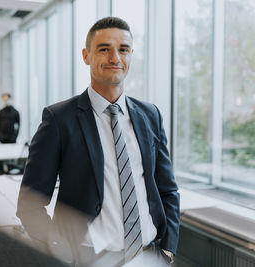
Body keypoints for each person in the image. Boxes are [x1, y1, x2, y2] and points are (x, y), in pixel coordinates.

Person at [16, 17, 179, 266]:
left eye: (123, 49)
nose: (115, 58)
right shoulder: (59, 119)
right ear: (86, 55)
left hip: (149, 256)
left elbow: (167, 189)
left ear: (131, 55)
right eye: (104, 49)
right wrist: (61, 253)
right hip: (90, 258)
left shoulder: (150, 115)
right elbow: (30, 205)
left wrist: (167, 250)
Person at [0, 93, 20, 175]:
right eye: (3, 99)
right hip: (2, 138)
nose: (5, 101)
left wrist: (15, 137)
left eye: (6, 99)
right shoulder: (1, 112)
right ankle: (0, 171)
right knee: (0, 155)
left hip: (11, 138)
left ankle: (11, 170)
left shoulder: (15, 112)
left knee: (10, 156)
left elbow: (18, 126)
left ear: (10, 99)